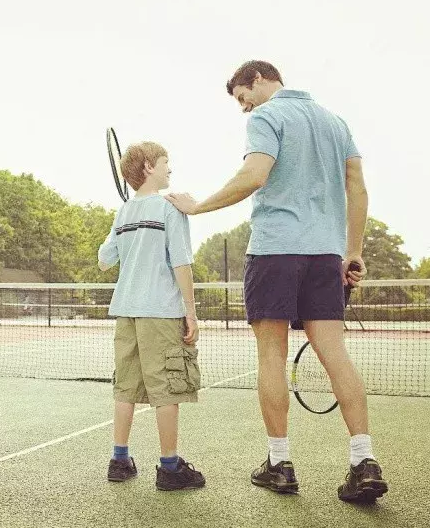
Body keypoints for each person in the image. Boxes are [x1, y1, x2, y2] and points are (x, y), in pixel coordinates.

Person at [165, 60, 387, 502]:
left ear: (260, 80)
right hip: (325, 255)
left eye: (244, 100)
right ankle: (364, 461)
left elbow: (254, 175)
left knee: (271, 354)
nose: (246, 110)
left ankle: (279, 463)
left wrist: (197, 207)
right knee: (335, 353)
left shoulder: (269, 117)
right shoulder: (334, 121)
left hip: (274, 252)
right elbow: (357, 186)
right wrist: (353, 251)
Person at [98, 141, 205, 491]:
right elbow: (181, 261)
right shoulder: (170, 208)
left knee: (125, 387)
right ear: (147, 167)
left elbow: (104, 259)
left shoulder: (123, 212)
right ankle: (170, 468)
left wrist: (125, 222)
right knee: (166, 389)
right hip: (160, 311)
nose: (169, 168)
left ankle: (119, 460)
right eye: (165, 162)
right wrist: (191, 311)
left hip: (126, 311)